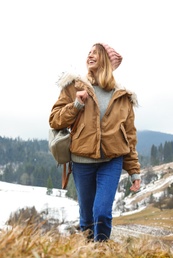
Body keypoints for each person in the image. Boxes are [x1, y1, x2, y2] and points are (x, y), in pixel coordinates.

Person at [49, 43, 141, 242]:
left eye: (95, 53)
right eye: (88, 52)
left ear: (107, 61)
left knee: (102, 213)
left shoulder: (123, 96)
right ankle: (88, 251)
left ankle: (102, 250)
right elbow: (55, 120)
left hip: (112, 160)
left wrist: (134, 171)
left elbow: (130, 136)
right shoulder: (74, 86)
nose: (89, 56)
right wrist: (76, 104)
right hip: (82, 161)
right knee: (87, 216)